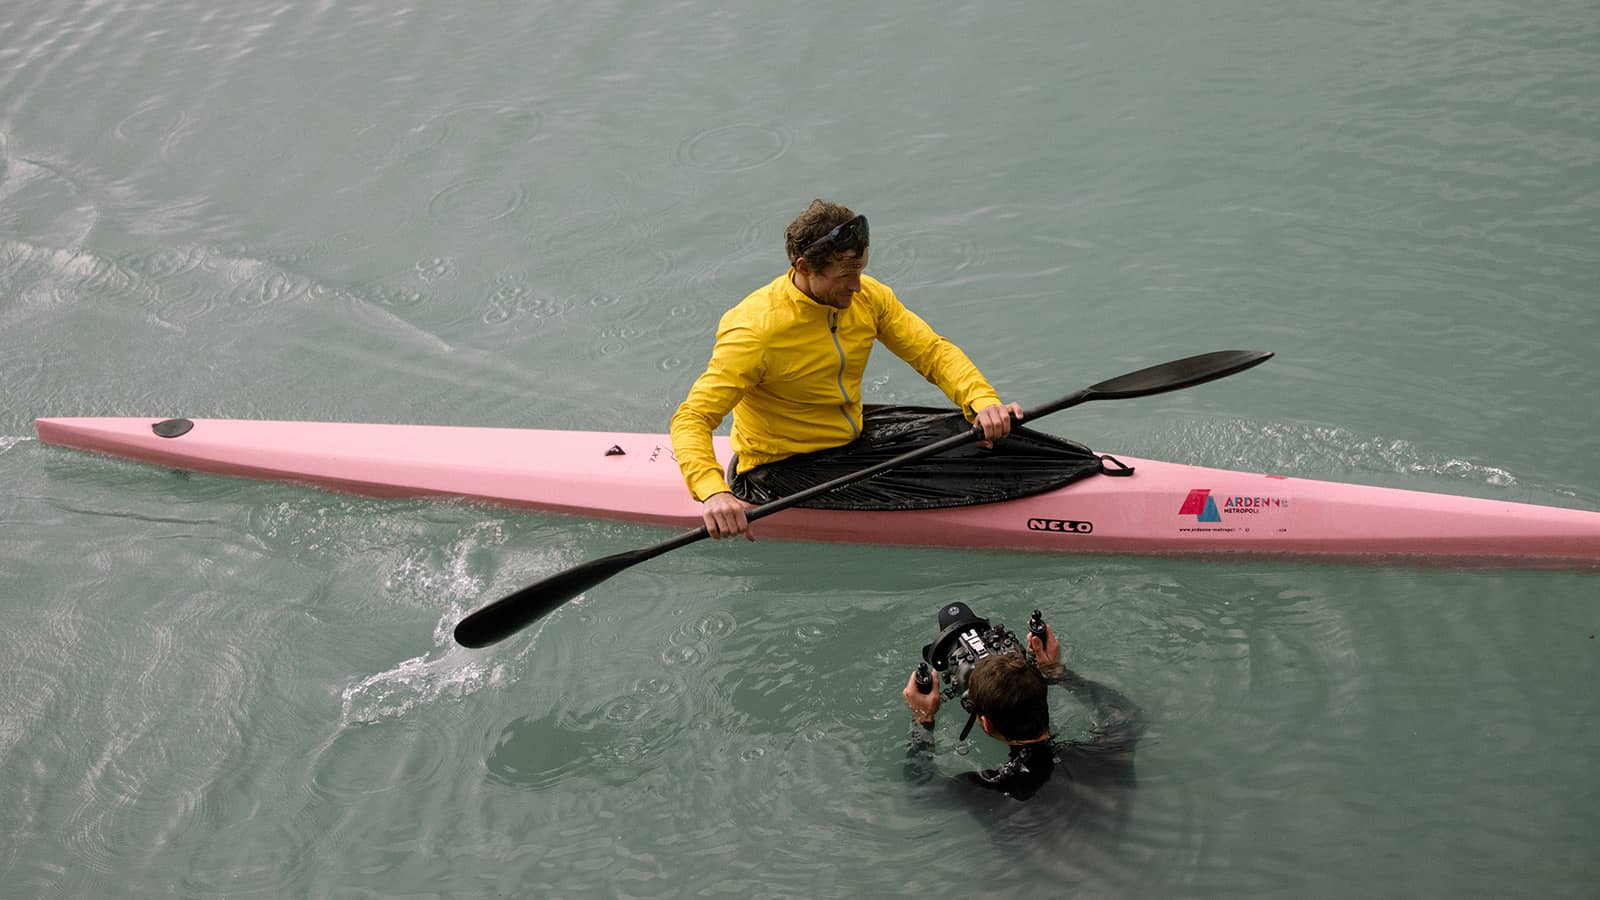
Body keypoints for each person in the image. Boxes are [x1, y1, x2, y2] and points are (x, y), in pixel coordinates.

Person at [669, 199, 1024, 540]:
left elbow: (931, 352)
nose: (856, 285)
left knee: (987, 437)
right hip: (781, 468)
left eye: (861, 270)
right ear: (805, 267)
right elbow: (692, 418)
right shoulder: (754, 332)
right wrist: (713, 492)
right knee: (959, 470)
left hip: (849, 439)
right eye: (845, 275)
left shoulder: (867, 297)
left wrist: (982, 401)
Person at [901, 622, 1142, 803]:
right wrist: (1058, 673)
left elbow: (919, 789)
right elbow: (1127, 713)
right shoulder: (1105, 752)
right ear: (1044, 699)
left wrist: (923, 719)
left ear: (986, 725)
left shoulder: (991, 789)